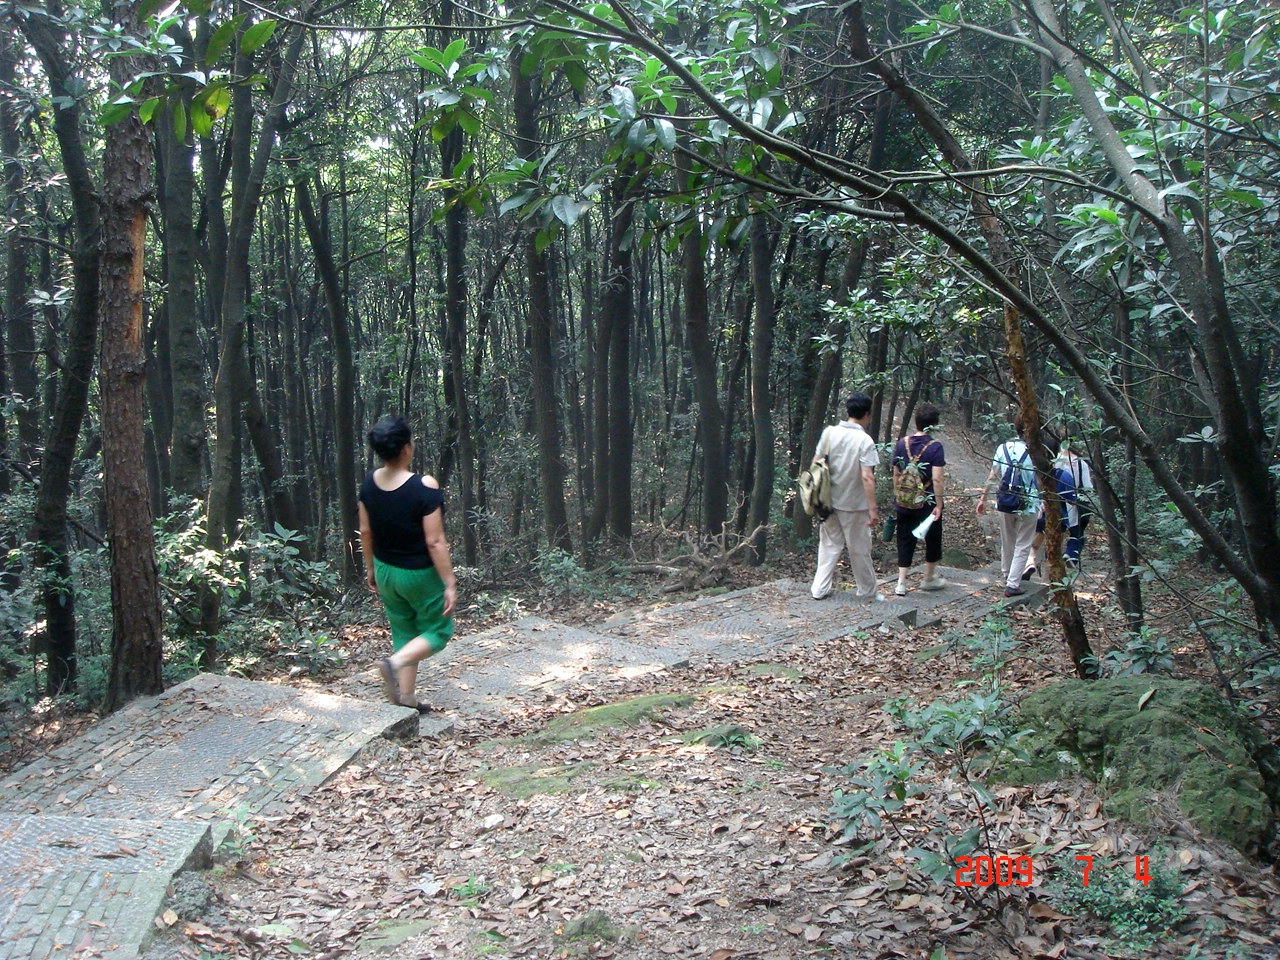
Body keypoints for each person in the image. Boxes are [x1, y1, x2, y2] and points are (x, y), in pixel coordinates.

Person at [358, 416, 458, 712]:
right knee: (438, 633)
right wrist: (450, 582)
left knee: (405, 631)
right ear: (405, 448)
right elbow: (435, 541)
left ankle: (406, 698)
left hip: (386, 568)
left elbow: (365, 531)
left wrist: (371, 568)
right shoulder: (423, 486)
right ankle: (394, 663)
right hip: (418, 574)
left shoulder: (369, 483)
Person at [811, 392, 882, 601]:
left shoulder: (829, 432)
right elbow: (867, 476)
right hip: (854, 504)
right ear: (867, 414)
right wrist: (873, 508)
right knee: (859, 549)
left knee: (829, 545)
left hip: (828, 501)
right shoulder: (864, 440)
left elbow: (815, 463)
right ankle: (867, 592)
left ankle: (819, 589)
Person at [976, 413, 1040, 598]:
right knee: (1023, 543)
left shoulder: (1003, 447)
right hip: (1029, 503)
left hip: (1005, 501)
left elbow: (992, 475)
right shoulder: (1035, 450)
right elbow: (1041, 479)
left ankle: (1007, 574)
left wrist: (982, 499)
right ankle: (1013, 584)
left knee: (1007, 540)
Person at [891, 403, 947, 596]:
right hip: (927, 501)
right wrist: (939, 504)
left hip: (904, 500)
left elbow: (896, 473)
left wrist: (898, 495)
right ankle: (928, 578)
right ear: (935, 424)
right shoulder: (935, 447)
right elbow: (938, 478)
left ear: (917, 421)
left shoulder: (901, 444)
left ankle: (901, 583)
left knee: (904, 538)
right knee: (932, 538)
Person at [1056, 439, 1094, 566]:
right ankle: (1071, 554)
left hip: (1056, 500)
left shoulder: (1056, 460)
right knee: (1077, 531)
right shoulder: (1081, 463)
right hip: (1073, 501)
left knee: (1057, 530)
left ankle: (1050, 554)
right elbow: (1087, 487)